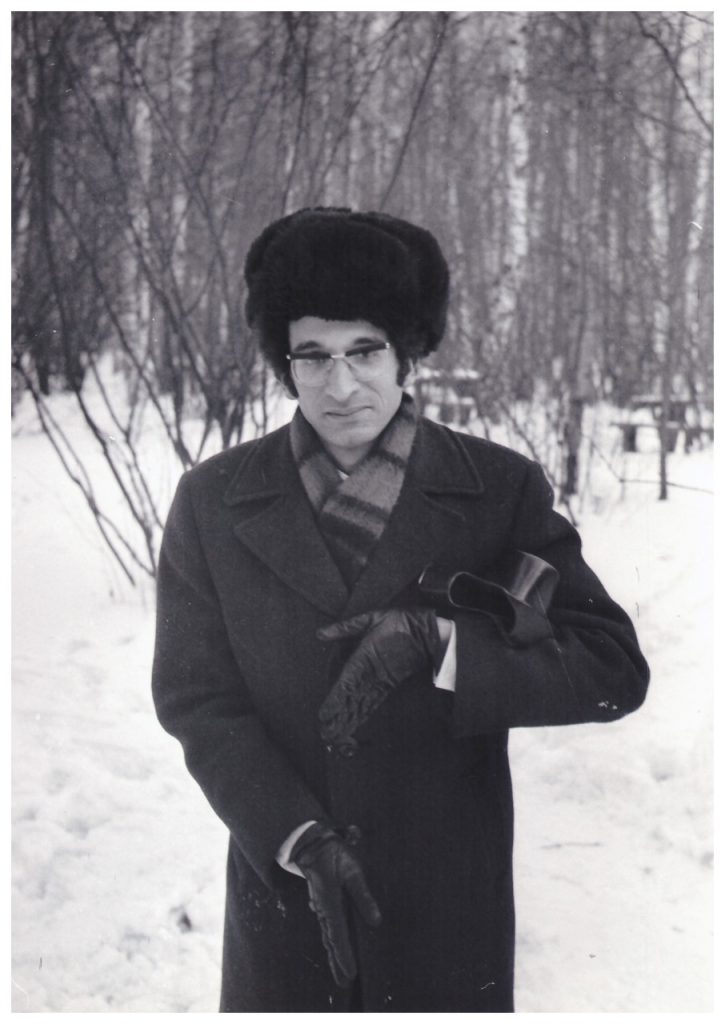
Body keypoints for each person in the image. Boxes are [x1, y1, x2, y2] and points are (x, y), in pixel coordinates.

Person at [151, 207, 649, 1012]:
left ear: (407, 352)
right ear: (284, 361)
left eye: (365, 351)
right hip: (288, 892)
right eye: (312, 356)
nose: (340, 385)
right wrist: (296, 837)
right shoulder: (213, 500)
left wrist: (443, 643)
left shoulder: (496, 490)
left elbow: (611, 671)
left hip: (443, 899)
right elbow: (196, 699)